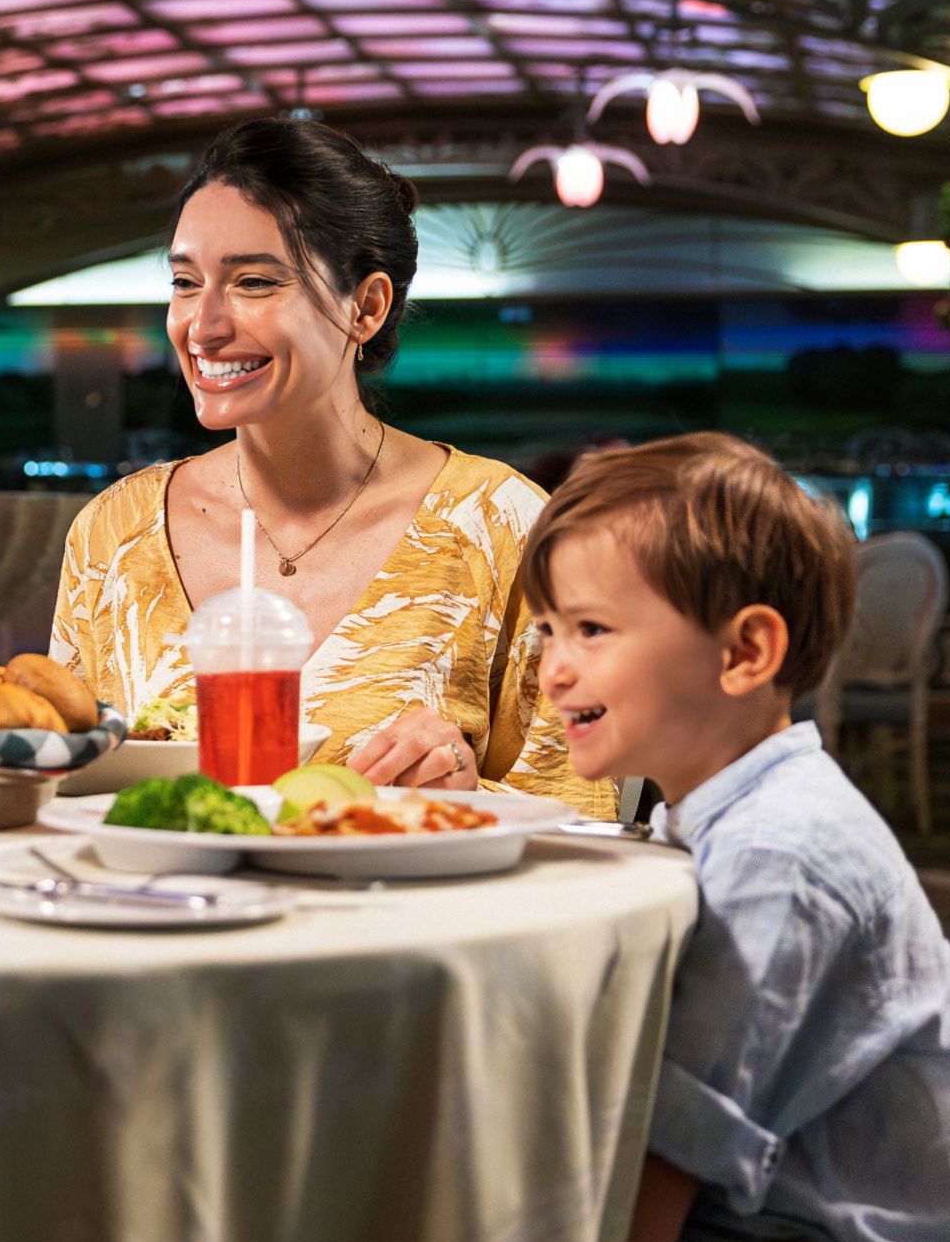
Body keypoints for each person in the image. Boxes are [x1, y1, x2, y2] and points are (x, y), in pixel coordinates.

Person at [522, 434, 950, 1242]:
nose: (553, 669)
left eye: (591, 630)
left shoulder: (781, 854)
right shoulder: (716, 812)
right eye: (547, 630)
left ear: (745, 651)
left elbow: (667, 1156)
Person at [49, 115, 609, 815]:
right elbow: (59, 791)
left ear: (365, 307)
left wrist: (467, 796)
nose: (203, 326)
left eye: (254, 282)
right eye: (185, 282)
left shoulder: (502, 526)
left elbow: (585, 814)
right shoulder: (114, 534)